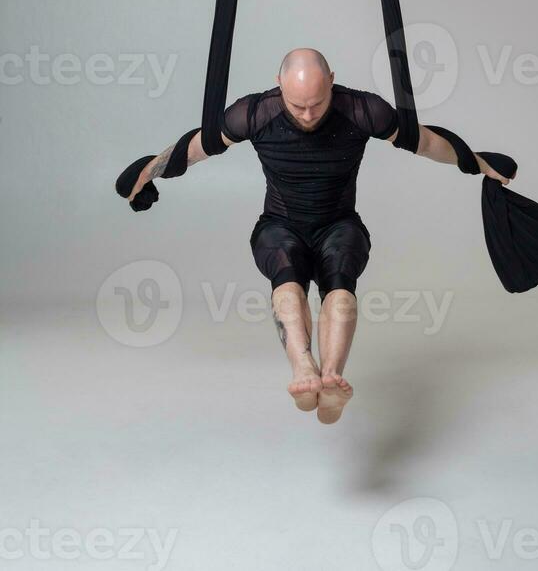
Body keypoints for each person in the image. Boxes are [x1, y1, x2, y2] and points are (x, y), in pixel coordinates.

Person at [126, 48, 512, 424]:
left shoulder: (363, 110)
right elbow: (196, 148)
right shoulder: (255, 112)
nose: (308, 114)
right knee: (287, 284)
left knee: (341, 295)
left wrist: (478, 164)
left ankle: (330, 383)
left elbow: (424, 141)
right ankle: (302, 368)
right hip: (279, 224)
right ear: (278, 85)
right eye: (297, 106)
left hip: (340, 225)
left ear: (332, 81)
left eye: (317, 102)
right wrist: (147, 172)